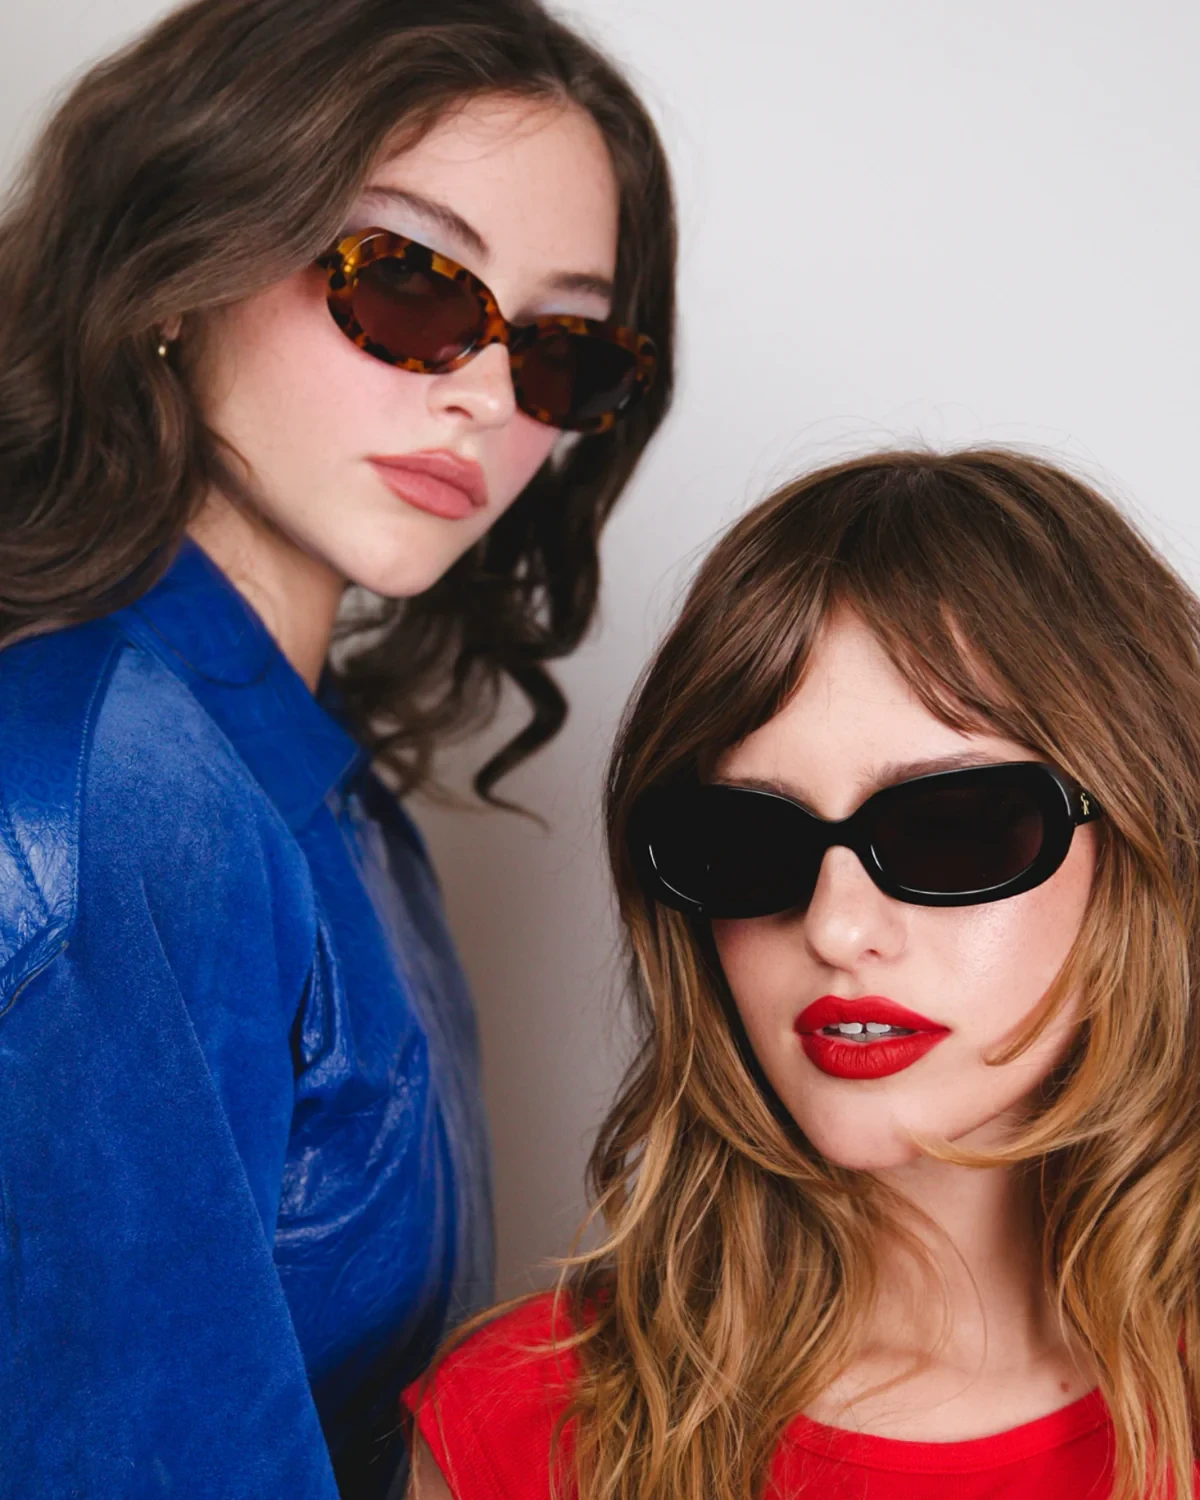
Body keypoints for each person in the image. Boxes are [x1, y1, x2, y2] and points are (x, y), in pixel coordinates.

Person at [0, 0, 675, 1494]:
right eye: (413, 282)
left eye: (561, 347)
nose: (486, 395)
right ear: (180, 266)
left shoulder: (323, 799)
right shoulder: (116, 782)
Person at [405, 449, 1200, 1500]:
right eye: (750, 839)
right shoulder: (520, 1429)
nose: (834, 927)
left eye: (951, 828)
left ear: (1149, 847)